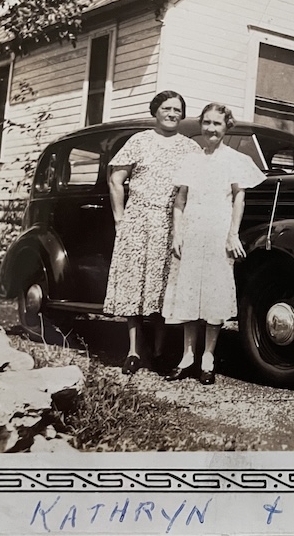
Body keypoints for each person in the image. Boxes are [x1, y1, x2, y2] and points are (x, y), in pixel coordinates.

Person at [163, 103, 266, 385]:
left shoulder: (235, 159)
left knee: (213, 294)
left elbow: (238, 199)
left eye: (217, 124)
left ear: (226, 126)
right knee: (189, 291)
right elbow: (180, 201)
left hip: (218, 231)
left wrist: (233, 234)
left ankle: (208, 357)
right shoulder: (191, 160)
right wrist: (177, 233)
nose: (210, 128)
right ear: (201, 125)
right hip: (192, 230)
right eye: (206, 123)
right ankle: (186, 357)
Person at [105, 91, 202, 375]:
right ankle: (134, 351)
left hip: (172, 221)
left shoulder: (190, 148)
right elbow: (116, 179)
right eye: (166, 108)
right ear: (155, 111)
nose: (172, 114)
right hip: (139, 219)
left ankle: (159, 351)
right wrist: (120, 219)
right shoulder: (139, 141)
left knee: (163, 287)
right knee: (134, 285)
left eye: (177, 110)